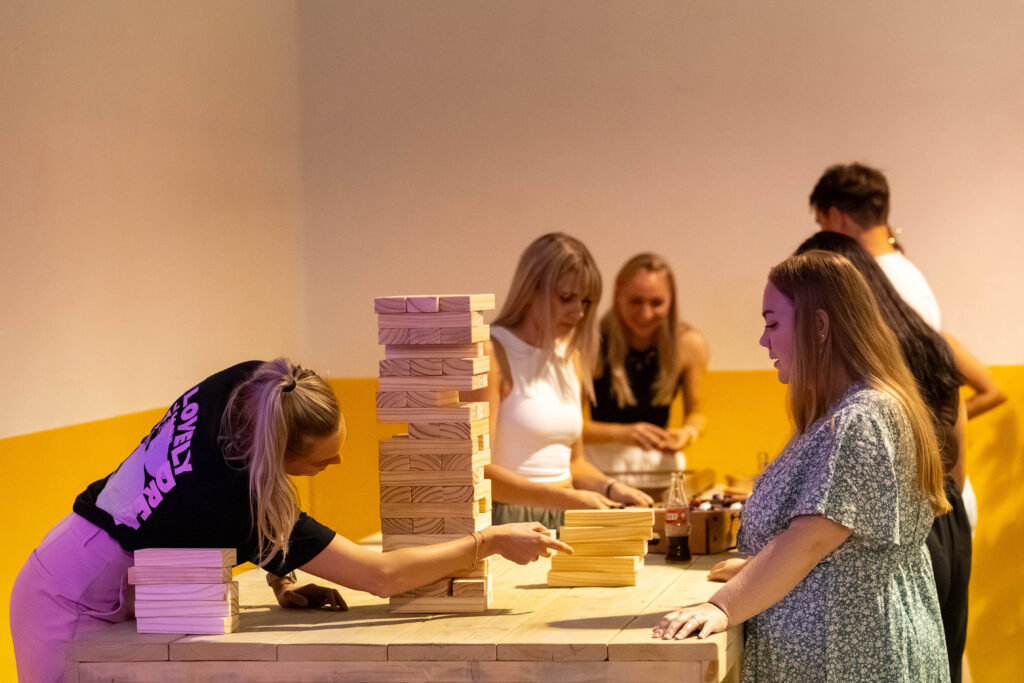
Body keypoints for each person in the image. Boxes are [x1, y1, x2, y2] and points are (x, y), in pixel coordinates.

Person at [11, 358, 568, 682]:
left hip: (90, 560)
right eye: (322, 462)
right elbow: (381, 576)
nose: (337, 464)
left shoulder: (254, 385)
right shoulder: (235, 497)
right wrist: (488, 540)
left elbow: (202, 512)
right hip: (66, 596)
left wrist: (282, 576)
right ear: (277, 453)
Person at [653, 251, 950, 682]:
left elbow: (811, 539)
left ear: (819, 326)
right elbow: (845, 551)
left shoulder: (860, 417)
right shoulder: (842, 411)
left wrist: (721, 607)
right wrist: (758, 571)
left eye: (773, 324)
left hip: (848, 659)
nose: (763, 340)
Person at [796, 232, 971, 681]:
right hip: (944, 515)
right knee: (942, 662)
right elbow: (954, 438)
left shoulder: (857, 357)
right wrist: (941, 504)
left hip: (887, 536)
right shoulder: (931, 340)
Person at [809, 161, 1006, 534]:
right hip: (930, 489)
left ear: (835, 216)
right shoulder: (904, 274)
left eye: (820, 223)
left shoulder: (876, 283)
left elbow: (920, 396)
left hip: (921, 496)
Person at [464, 233, 653, 529]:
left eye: (586, 301)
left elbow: (574, 462)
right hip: (510, 523)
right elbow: (474, 471)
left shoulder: (572, 355)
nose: (578, 312)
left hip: (566, 513)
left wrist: (610, 488)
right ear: (531, 290)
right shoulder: (491, 352)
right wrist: (564, 498)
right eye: (566, 298)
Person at [583, 253, 709, 496]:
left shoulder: (688, 344)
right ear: (618, 295)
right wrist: (624, 434)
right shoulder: (592, 344)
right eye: (635, 301)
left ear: (671, 301)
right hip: (601, 473)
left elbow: (697, 413)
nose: (646, 313)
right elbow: (573, 428)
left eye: (656, 303)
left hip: (662, 471)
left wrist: (687, 433)